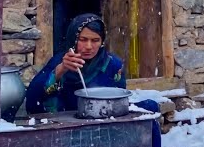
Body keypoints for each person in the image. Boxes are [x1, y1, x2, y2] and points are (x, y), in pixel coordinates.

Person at [25, 13, 159, 115]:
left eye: (95, 40)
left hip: (104, 121)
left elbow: (120, 102)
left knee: (150, 107)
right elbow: (32, 102)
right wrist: (60, 70)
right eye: (83, 39)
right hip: (69, 123)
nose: (89, 46)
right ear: (73, 39)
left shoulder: (112, 64)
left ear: (102, 41)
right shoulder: (60, 61)